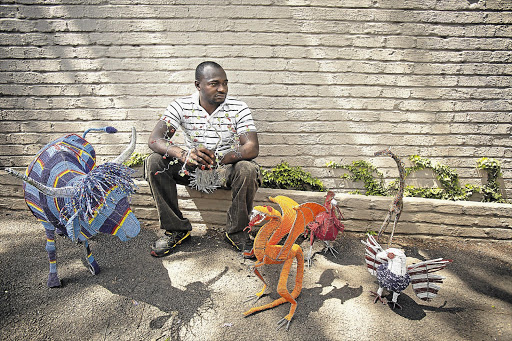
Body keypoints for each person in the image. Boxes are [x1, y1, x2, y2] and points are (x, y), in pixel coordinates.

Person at [145, 61, 260, 259]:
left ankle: (237, 232)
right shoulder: (181, 106)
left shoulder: (238, 108)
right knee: (155, 162)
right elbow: (155, 139)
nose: (222, 89)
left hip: (225, 170)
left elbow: (251, 147)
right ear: (198, 85)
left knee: (247, 169)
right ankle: (176, 230)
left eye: (225, 83)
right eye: (214, 83)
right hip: (191, 169)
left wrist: (220, 158)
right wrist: (184, 155)